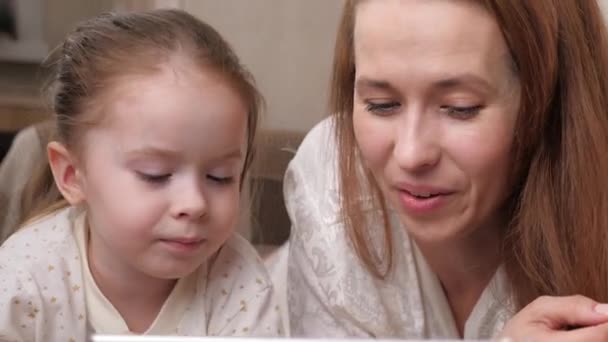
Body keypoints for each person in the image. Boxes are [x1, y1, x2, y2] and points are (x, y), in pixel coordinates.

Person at [286, 0, 608, 339]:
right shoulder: (329, 183)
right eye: (382, 105)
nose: (411, 155)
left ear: (547, 103)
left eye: (460, 109)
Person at [0, 9, 283, 341]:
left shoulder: (240, 283)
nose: (194, 204)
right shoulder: (24, 280)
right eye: (156, 174)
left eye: (220, 177)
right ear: (73, 175)